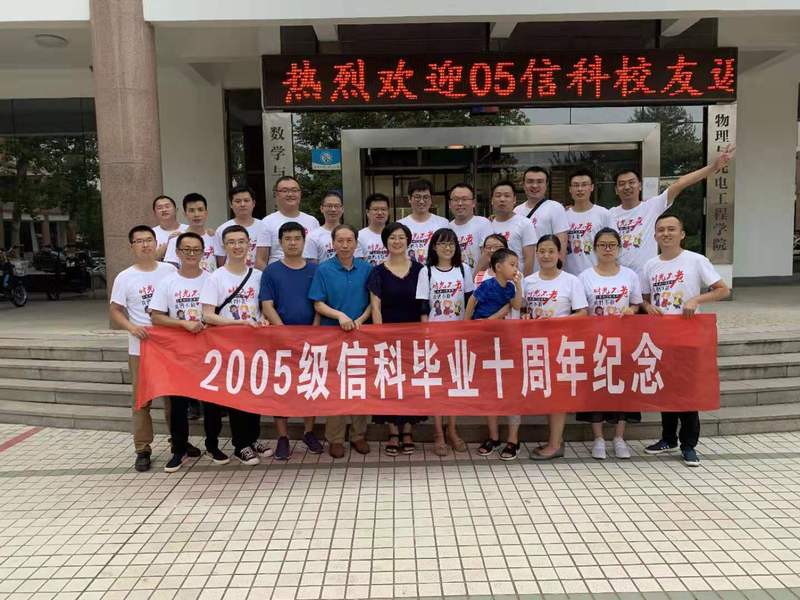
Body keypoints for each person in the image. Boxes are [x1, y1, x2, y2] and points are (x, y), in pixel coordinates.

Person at [641, 214, 730, 467]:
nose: (666, 233)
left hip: (688, 335)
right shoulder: (650, 265)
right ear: (655, 236)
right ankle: (668, 438)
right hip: (661, 336)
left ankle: (689, 444)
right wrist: (647, 307)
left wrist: (696, 300)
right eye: (661, 230)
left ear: (681, 234)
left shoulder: (695, 260)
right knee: (666, 389)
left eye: (671, 229)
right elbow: (645, 298)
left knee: (687, 390)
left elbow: (723, 289)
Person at [150, 232, 228, 472]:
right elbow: (156, 317)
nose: (191, 254)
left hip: (210, 351)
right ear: (178, 253)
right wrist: (182, 324)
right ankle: (179, 449)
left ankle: (213, 445)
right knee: (178, 403)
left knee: (212, 402)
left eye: (196, 249)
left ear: (204, 252)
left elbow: (222, 315)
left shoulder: (213, 279)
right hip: (178, 352)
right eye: (186, 249)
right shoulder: (168, 282)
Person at [201, 225, 272, 465]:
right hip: (227, 346)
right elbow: (208, 315)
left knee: (254, 391)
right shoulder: (215, 277)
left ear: (249, 245)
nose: (237, 246)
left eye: (241, 241)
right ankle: (240, 444)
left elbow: (264, 308)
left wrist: (263, 319)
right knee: (236, 394)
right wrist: (238, 323)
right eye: (231, 242)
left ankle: (253, 438)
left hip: (254, 344)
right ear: (224, 246)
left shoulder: (259, 276)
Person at [109, 225, 178, 472]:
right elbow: (115, 310)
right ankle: (142, 448)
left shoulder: (170, 270)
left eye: (149, 240)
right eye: (139, 241)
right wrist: (131, 327)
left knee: (174, 398)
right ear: (132, 246)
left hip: (169, 347)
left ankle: (178, 442)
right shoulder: (125, 277)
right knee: (142, 400)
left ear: (156, 243)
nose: (145, 245)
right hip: (141, 348)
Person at [610, 144, 735, 276]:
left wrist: (714, 166)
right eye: (622, 184)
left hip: (648, 276)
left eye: (632, 182)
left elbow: (680, 183)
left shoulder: (652, 206)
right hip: (619, 277)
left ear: (640, 186)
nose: (627, 187)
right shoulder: (609, 214)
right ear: (616, 190)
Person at [576, 228, 643, 460]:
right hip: (595, 341)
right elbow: (581, 309)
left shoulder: (629, 275)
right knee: (597, 388)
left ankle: (619, 437)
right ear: (594, 248)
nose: (607, 249)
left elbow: (636, 304)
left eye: (612, 245)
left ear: (619, 248)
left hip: (623, 341)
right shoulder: (584, 276)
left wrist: (631, 310)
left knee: (622, 388)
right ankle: (598, 438)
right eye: (602, 245)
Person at [260, 221, 325, 460]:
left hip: (310, 338)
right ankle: (283, 437)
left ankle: (309, 432)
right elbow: (267, 305)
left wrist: (315, 331)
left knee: (309, 385)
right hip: (280, 340)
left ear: (304, 241)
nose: (293, 243)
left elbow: (320, 302)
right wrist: (283, 332)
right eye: (287, 239)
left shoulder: (315, 270)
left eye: (297, 238)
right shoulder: (271, 271)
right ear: (280, 242)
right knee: (281, 388)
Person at [308, 224, 373, 459]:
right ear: (333, 243)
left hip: (361, 336)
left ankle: (358, 435)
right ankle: (335, 438)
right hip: (332, 337)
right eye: (340, 241)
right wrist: (340, 316)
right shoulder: (324, 270)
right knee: (335, 387)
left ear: (356, 243)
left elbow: (373, 301)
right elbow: (318, 303)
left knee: (360, 385)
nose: (345, 245)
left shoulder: (367, 269)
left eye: (349, 241)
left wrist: (361, 320)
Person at [523, 234, 589, 460]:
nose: (546, 255)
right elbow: (521, 309)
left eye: (551, 251)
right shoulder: (528, 281)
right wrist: (526, 318)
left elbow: (582, 313)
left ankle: (555, 444)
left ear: (559, 254)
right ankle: (553, 440)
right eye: (542, 251)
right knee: (546, 393)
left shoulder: (571, 281)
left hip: (562, 346)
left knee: (558, 394)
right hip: (535, 347)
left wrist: (556, 322)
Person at [367, 222, 427, 456]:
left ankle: (408, 430)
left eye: (401, 237)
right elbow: (375, 306)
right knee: (389, 382)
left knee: (412, 382)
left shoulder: (420, 270)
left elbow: (424, 304)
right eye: (392, 237)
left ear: (408, 241)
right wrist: (380, 336)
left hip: (414, 336)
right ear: (385, 242)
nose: (397, 241)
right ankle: (393, 431)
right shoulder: (377, 271)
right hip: (387, 336)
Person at [415, 227, 473, 456]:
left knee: (454, 384)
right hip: (435, 338)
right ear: (434, 247)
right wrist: (426, 335)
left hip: (458, 337)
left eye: (451, 243)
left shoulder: (464, 269)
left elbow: (470, 301)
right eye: (442, 243)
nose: (447, 248)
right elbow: (422, 306)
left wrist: (467, 330)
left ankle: (452, 429)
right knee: (437, 385)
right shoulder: (426, 272)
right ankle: (438, 433)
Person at [465, 248, 524, 460]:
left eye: (517, 265)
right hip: (484, 342)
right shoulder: (487, 285)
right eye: (512, 265)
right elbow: (472, 300)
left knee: (510, 390)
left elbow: (515, 305)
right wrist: (467, 324)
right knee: (489, 389)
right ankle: (494, 437)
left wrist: (518, 286)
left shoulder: (511, 287)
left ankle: (513, 440)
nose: (515, 269)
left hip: (506, 344)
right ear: (498, 267)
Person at [514, 166, 568, 266]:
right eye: (530, 181)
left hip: (546, 271)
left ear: (546, 185)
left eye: (540, 182)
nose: (535, 185)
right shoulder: (517, 210)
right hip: (520, 270)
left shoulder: (555, 208)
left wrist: (557, 271)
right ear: (524, 185)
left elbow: (562, 243)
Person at [263, 175, 320, 265]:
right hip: (277, 271)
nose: (290, 194)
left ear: (300, 193)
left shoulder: (312, 221)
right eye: (285, 191)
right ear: (276, 194)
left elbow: (317, 254)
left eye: (294, 190)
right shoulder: (266, 222)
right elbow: (261, 260)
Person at [564, 169, 611, 276]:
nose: (580, 189)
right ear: (570, 189)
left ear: (592, 187)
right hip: (570, 276)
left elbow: (613, 244)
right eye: (576, 185)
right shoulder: (563, 216)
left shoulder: (603, 214)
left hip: (597, 275)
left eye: (584, 185)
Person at [489, 180, 539, 276]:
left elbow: (529, 259)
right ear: (492, 200)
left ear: (514, 199)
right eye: (498, 196)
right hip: (492, 281)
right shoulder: (488, 224)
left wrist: (524, 282)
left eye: (507, 196)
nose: (502, 199)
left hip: (516, 280)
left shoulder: (525, 223)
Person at [214, 185, 269, 270]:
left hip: (255, 276)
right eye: (238, 201)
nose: (242, 204)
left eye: (246, 200)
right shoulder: (222, 229)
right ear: (231, 204)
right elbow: (221, 263)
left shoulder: (263, 227)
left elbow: (262, 261)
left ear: (253, 203)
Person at [398, 179, 449, 264]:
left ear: (431, 199)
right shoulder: (400, 225)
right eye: (417, 197)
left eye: (426, 197)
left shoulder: (443, 223)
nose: (422, 201)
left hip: (435, 270)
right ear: (409, 198)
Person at [164, 193, 217, 273]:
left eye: (200, 210)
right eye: (191, 210)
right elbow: (171, 270)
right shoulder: (176, 240)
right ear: (185, 214)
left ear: (206, 213)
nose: (196, 214)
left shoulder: (214, 238)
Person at [448, 182, 493, 272]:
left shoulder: (483, 223)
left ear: (473, 203)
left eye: (464, 199)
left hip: (478, 278)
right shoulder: (447, 228)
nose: (460, 203)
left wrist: (473, 278)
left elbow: (487, 255)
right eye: (456, 199)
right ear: (449, 204)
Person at [303, 191, 348, 263]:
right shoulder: (312, 236)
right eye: (329, 206)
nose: (333, 209)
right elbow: (312, 265)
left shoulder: (350, 234)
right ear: (322, 208)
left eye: (336, 206)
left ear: (342, 209)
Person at [358, 193, 391, 266]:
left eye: (383, 209)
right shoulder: (359, 236)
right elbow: (358, 264)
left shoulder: (395, 235)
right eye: (375, 209)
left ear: (388, 212)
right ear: (367, 212)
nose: (380, 213)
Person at [152, 195, 188, 261]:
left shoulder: (189, 230)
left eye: (167, 206)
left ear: (176, 210)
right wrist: (167, 246)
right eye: (159, 208)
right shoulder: (151, 234)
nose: (164, 210)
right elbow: (146, 261)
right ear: (154, 213)